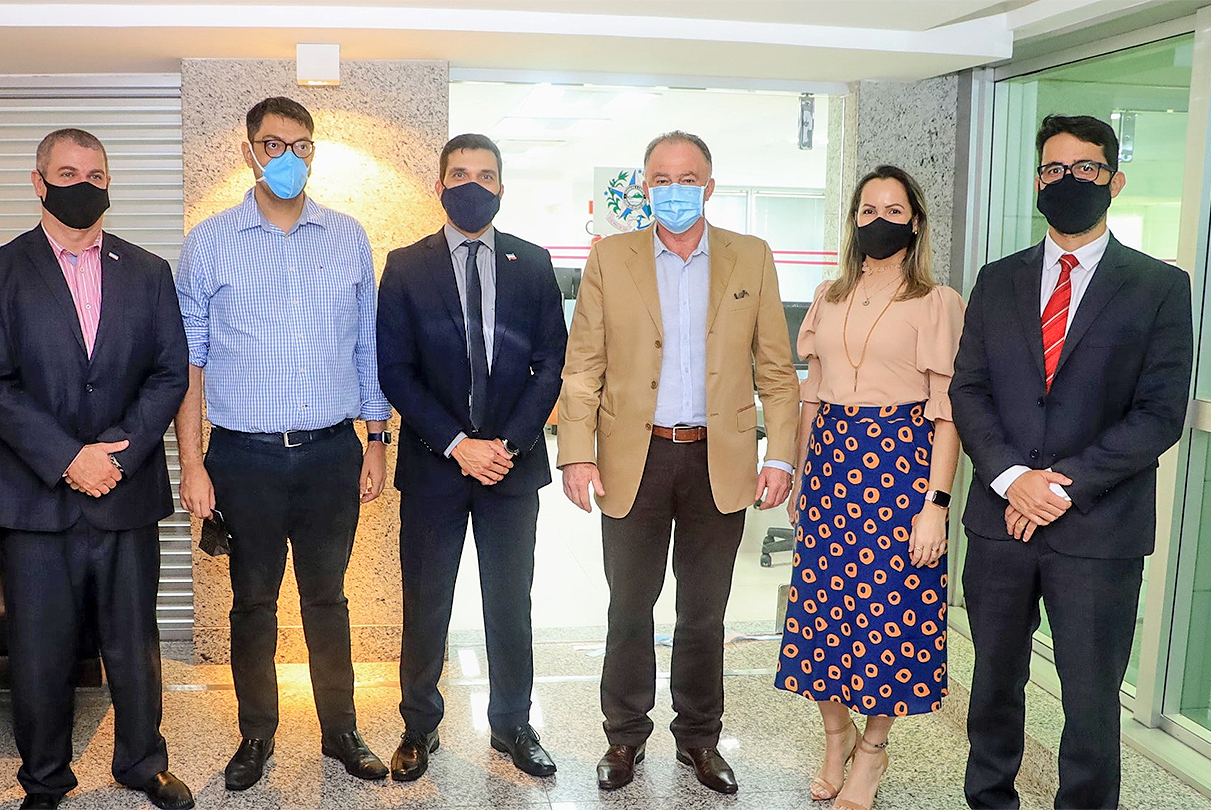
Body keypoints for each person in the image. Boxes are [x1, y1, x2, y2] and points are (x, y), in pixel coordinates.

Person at [952, 114, 1193, 810]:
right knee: (993, 686)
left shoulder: (1158, 286)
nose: (1068, 180)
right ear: (1037, 182)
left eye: (1085, 168)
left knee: (1090, 700)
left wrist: (1059, 487)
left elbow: (1159, 413)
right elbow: (969, 389)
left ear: (1114, 181)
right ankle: (989, 800)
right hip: (1000, 523)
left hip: (1098, 528)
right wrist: (1012, 480)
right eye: (1053, 169)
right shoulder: (997, 280)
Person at [558, 131, 801, 795]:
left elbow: (777, 371)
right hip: (633, 459)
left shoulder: (751, 257)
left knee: (704, 613)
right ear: (645, 187)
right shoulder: (611, 258)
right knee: (629, 607)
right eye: (661, 179)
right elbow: (583, 367)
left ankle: (699, 736)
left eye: (687, 178)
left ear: (709, 186)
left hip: (718, 460)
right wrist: (576, 453)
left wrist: (781, 455)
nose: (674, 190)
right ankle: (624, 736)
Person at [0, 129, 192, 810]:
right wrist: (68, 458)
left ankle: (142, 763)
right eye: (67, 173)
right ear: (38, 183)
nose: (83, 185)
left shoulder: (148, 271)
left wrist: (117, 452)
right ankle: (44, 777)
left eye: (96, 175)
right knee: (40, 650)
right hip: (34, 499)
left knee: (134, 645)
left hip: (126, 489)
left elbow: (169, 372)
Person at [174, 96, 393, 788]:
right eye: (273, 144)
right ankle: (256, 736)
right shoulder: (210, 242)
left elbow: (367, 347)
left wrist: (377, 437)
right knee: (252, 603)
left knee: (328, 599)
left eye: (300, 145)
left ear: (313, 153)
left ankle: (341, 731)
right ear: (249, 152)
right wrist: (192, 465)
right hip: (244, 458)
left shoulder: (347, 237)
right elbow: (189, 363)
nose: (288, 157)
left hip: (332, 453)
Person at [376, 133, 568, 782]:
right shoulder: (406, 266)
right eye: (460, 174)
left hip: (511, 469)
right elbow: (395, 371)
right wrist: (459, 445)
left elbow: (551, 364)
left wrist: (506, 444)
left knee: (510, 604)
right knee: (426, 602)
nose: (473, 185)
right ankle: (418, 726)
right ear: (439, 186)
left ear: (502, 188)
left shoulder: (533, 263)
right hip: (435, 465)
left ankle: (512, 723)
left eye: (485, 176)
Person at [775, 165, 964, 810]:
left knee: (891, 616)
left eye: (893, 211)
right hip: (830, 468)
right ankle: (836, 737)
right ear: (853, 221)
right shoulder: (829, 295)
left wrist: (936, 506)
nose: (878, 222)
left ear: (915, 222)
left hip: (901, 471)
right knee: (820, 611)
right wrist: (800, 474)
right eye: (867, 211)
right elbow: (812, 393)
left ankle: (873, 750)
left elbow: (948, 412)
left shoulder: (937, 302)